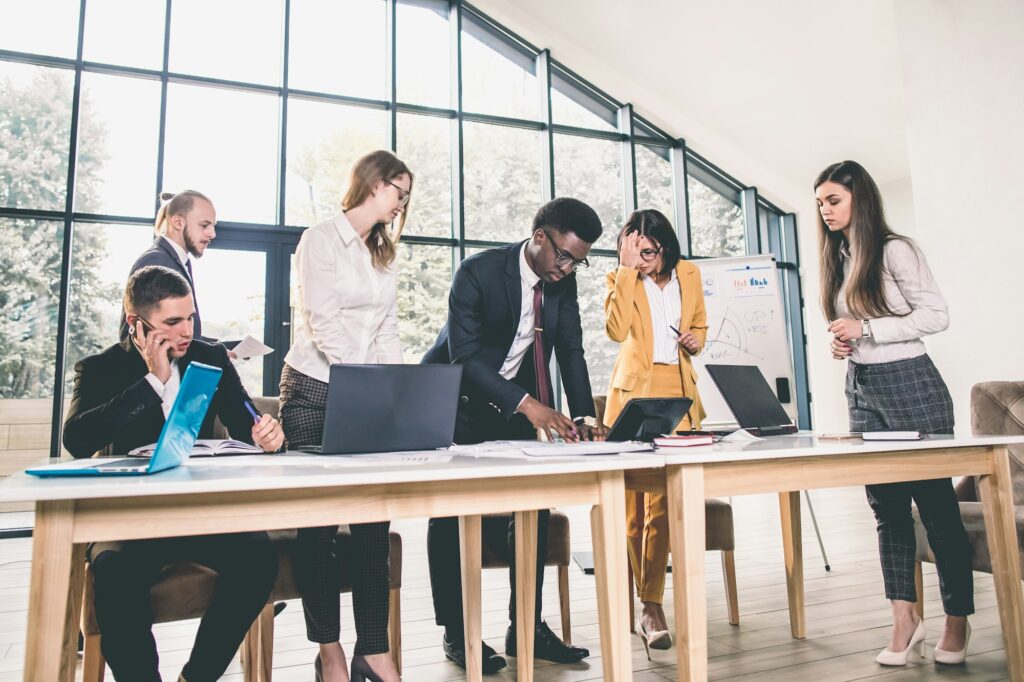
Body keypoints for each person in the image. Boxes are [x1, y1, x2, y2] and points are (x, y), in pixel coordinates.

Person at [63, 265, 284, 682]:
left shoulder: (210, 356)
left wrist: (267, 436)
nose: (186, 331)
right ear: (137, 324)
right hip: (128, 518)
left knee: (258, 558)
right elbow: (75, 439)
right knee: (112, 575)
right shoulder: (100, 369)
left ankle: (196, 677)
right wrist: (153, 381)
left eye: (191, 318)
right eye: (172, 322)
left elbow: (245, 422)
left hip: (197, 512)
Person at [422, 197, 605, 674]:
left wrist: (583, 414)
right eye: (564, 256)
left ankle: (525, 625)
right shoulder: (478, 273)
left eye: (578, 261)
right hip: (455, 399)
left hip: (509, 403)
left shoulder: (561, 285)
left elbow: (571, 350)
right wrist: (529, 406)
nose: (568, 268)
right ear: (540, 237)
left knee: (534, 503)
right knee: (451, 513)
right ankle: (457, 632)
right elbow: (464, 358)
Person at [815, 160, 972, 666]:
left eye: (833, 200)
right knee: (886, 512)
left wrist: (867, 330)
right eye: (820, 202)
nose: (825, 210)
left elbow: (936, 314)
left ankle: (957, 619)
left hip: (912, 386)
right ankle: (904, 618)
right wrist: (846, 343)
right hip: (864, 389)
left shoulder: (894, 250)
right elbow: (855, 324)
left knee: (936, 510)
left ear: (859, 198)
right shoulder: (838, 255)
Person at [279, 150, 410, 682]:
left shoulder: (379, 254)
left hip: (363, 393)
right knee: (319, 529)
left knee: (374, 523)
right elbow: (321, 319)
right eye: (398, 190)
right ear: (374, 185)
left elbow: (388, 328)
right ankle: (329, 652)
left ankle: (373, 651)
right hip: (313, 390)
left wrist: (395, 387)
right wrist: (363, 383)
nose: (402, 202)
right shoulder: (320, 239)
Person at [602, 208, 707, 652]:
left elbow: (699, 324)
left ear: (665, 246)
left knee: (662, 507)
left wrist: (696, 339)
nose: (642, 259)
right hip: (632, 397)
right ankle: (641, 605)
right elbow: (615, 331)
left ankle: (651, 605)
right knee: (632, 508)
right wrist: (627, 273)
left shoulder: (690, 274)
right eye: (633, 251)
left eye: (648, 252)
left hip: (678, 393)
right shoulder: (621, 277)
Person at [119, 190, 217, 342]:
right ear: (178, 222)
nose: (212, 234)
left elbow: (175, 332)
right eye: (204, 225)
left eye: (213, 226)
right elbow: (138, 336)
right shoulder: (157, 261)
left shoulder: (176, 261)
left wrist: (219, 350)